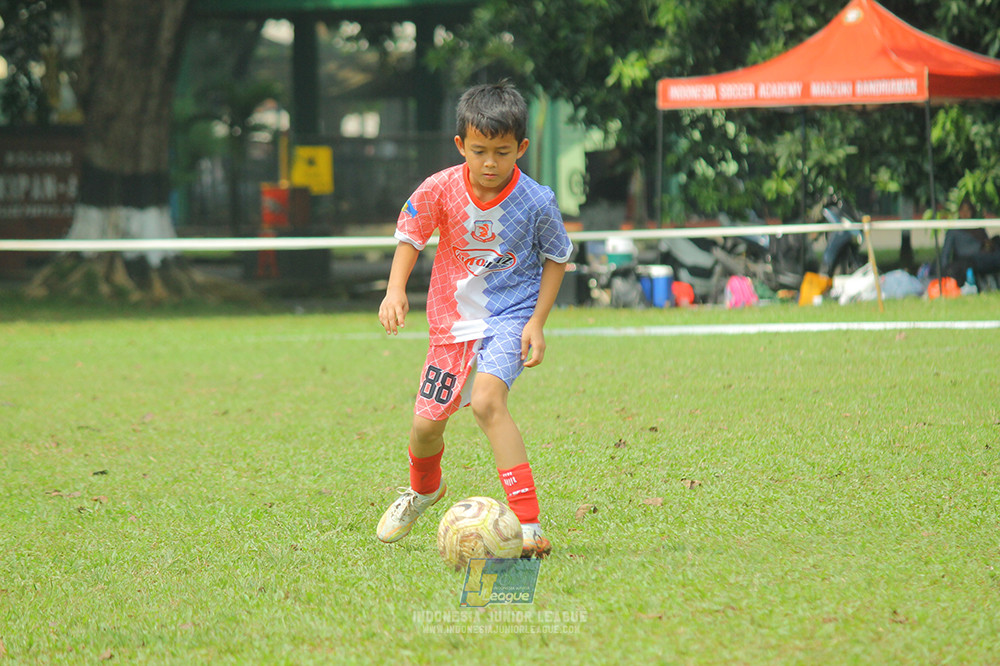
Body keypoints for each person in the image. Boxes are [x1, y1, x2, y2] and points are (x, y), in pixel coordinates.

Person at [375, 81, 573, 559]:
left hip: (510, 316)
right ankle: (424, 490)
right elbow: (411, 235)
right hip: (451, 324)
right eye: (479, 150)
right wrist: (395, 289)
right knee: (425, 428)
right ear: (461, 145)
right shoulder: (439, 187)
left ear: (520, 148)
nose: (489, 163)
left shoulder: (536, 200)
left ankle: (528, 524)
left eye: (502, 152)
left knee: (487, 403)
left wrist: (537, 322)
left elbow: (557, 257)